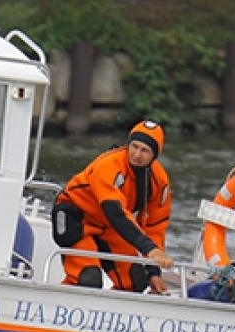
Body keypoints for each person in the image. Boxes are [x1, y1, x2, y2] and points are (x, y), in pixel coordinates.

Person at [52, 120, 174, 292]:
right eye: (134, 146)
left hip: (108, 226)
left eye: (145, 150)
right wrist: (149, 249)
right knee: (88, 279)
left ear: (155, 155)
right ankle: (61, 307)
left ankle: (111, 316)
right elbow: (114, 211)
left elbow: (155, 227)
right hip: (76, 217)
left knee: (136, 281)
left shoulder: (159, 181)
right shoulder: (109, 165)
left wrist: (154, 271)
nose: (137, 155)